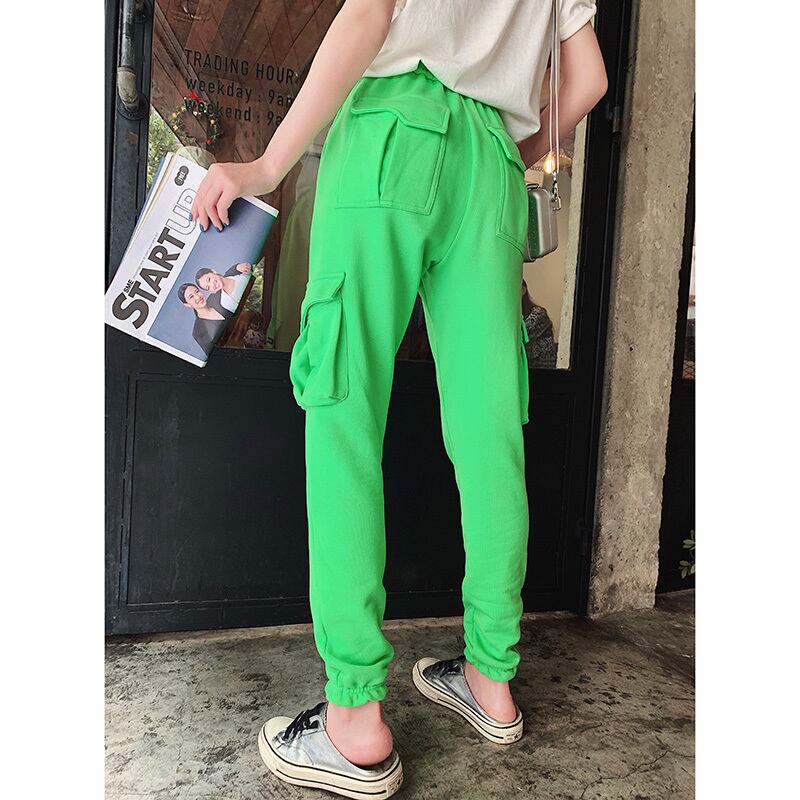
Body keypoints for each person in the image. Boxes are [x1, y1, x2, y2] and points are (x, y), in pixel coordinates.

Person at [192, 1, 607, 796]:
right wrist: (502, 149)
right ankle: (491, 676)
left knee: (344, 409)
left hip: (390, 128)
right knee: (491, 433)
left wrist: (267, 165)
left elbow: (371, 13)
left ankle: (354, 714)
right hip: (491, 166)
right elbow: (587, 78)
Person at [178, 282, 228, 357]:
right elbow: (218, 354)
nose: (197, 297)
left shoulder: (217, 297)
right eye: (191, 297)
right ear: (187, 305)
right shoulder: (198, 331)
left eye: (197, 291)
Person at [522, 279, 558, 368]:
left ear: (523, 290)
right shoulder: (518, 315)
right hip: (526, 367)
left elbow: (520, 336)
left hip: (542, 369)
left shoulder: (538, 314)